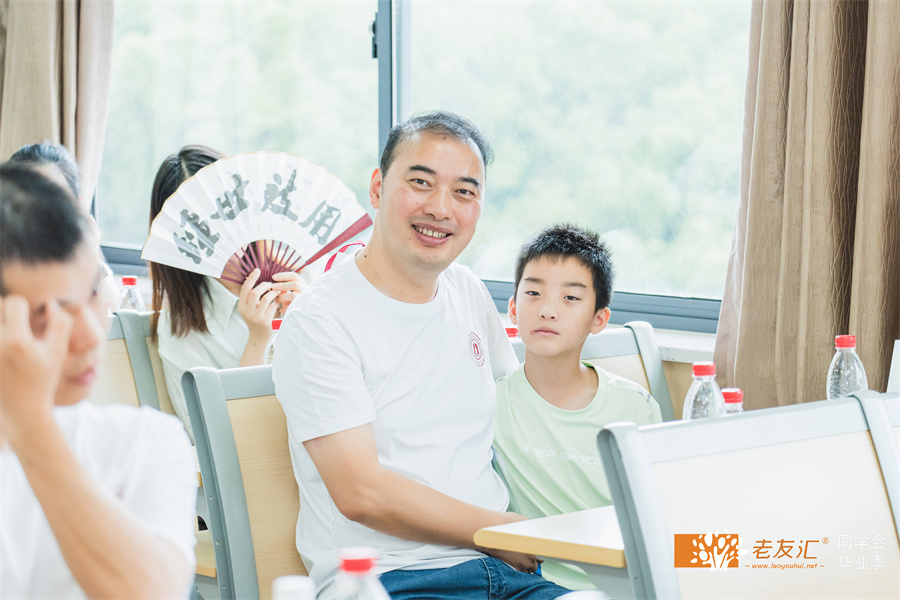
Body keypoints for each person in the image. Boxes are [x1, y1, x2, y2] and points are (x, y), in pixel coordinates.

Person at [273, 112, 570, 599]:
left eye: (464, 192)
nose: (440, 208)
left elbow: (520, 414)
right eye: (420, 182)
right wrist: (497, 531)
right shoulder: (319, 319)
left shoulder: (467, 290)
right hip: (390, 580)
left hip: (505, 574)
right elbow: (362, 494)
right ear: (377, 188)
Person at [0, 163, 197, 598]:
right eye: (47, 315)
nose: (91, 334)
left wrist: (30, 424)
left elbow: (152, 592)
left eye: (92, 292)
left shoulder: (144, 443)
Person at [494, 224, 663, 590]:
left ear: (599, 319)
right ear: (513, 309)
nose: (548, 310)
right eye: (533, 293)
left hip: (631, 583)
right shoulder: (492, 403)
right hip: (535, 584)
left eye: (570, 298)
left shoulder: (634, 408)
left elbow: (657, 515)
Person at [148, 145, 306, 437]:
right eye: (198, 222)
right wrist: (258, 340)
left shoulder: (300, 273)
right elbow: (212, 441)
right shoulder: (180, 328)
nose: (219, 229)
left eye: (225, 209)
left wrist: (312, 318)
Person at [8, 141, 120, 310]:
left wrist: (89, 253)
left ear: (77, 206)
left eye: (55, 200)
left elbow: (115, 313)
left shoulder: (86, 262)